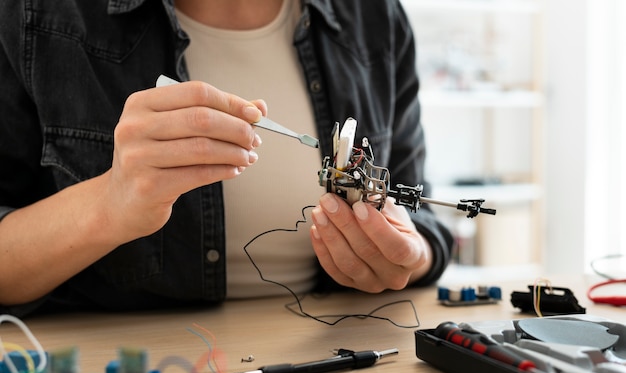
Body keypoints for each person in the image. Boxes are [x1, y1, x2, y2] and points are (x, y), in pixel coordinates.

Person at [0, 0, 454, 317]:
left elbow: (424, 218)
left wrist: (407, 258)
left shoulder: (374, 16)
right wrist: (108, 203)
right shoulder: (36, 14)